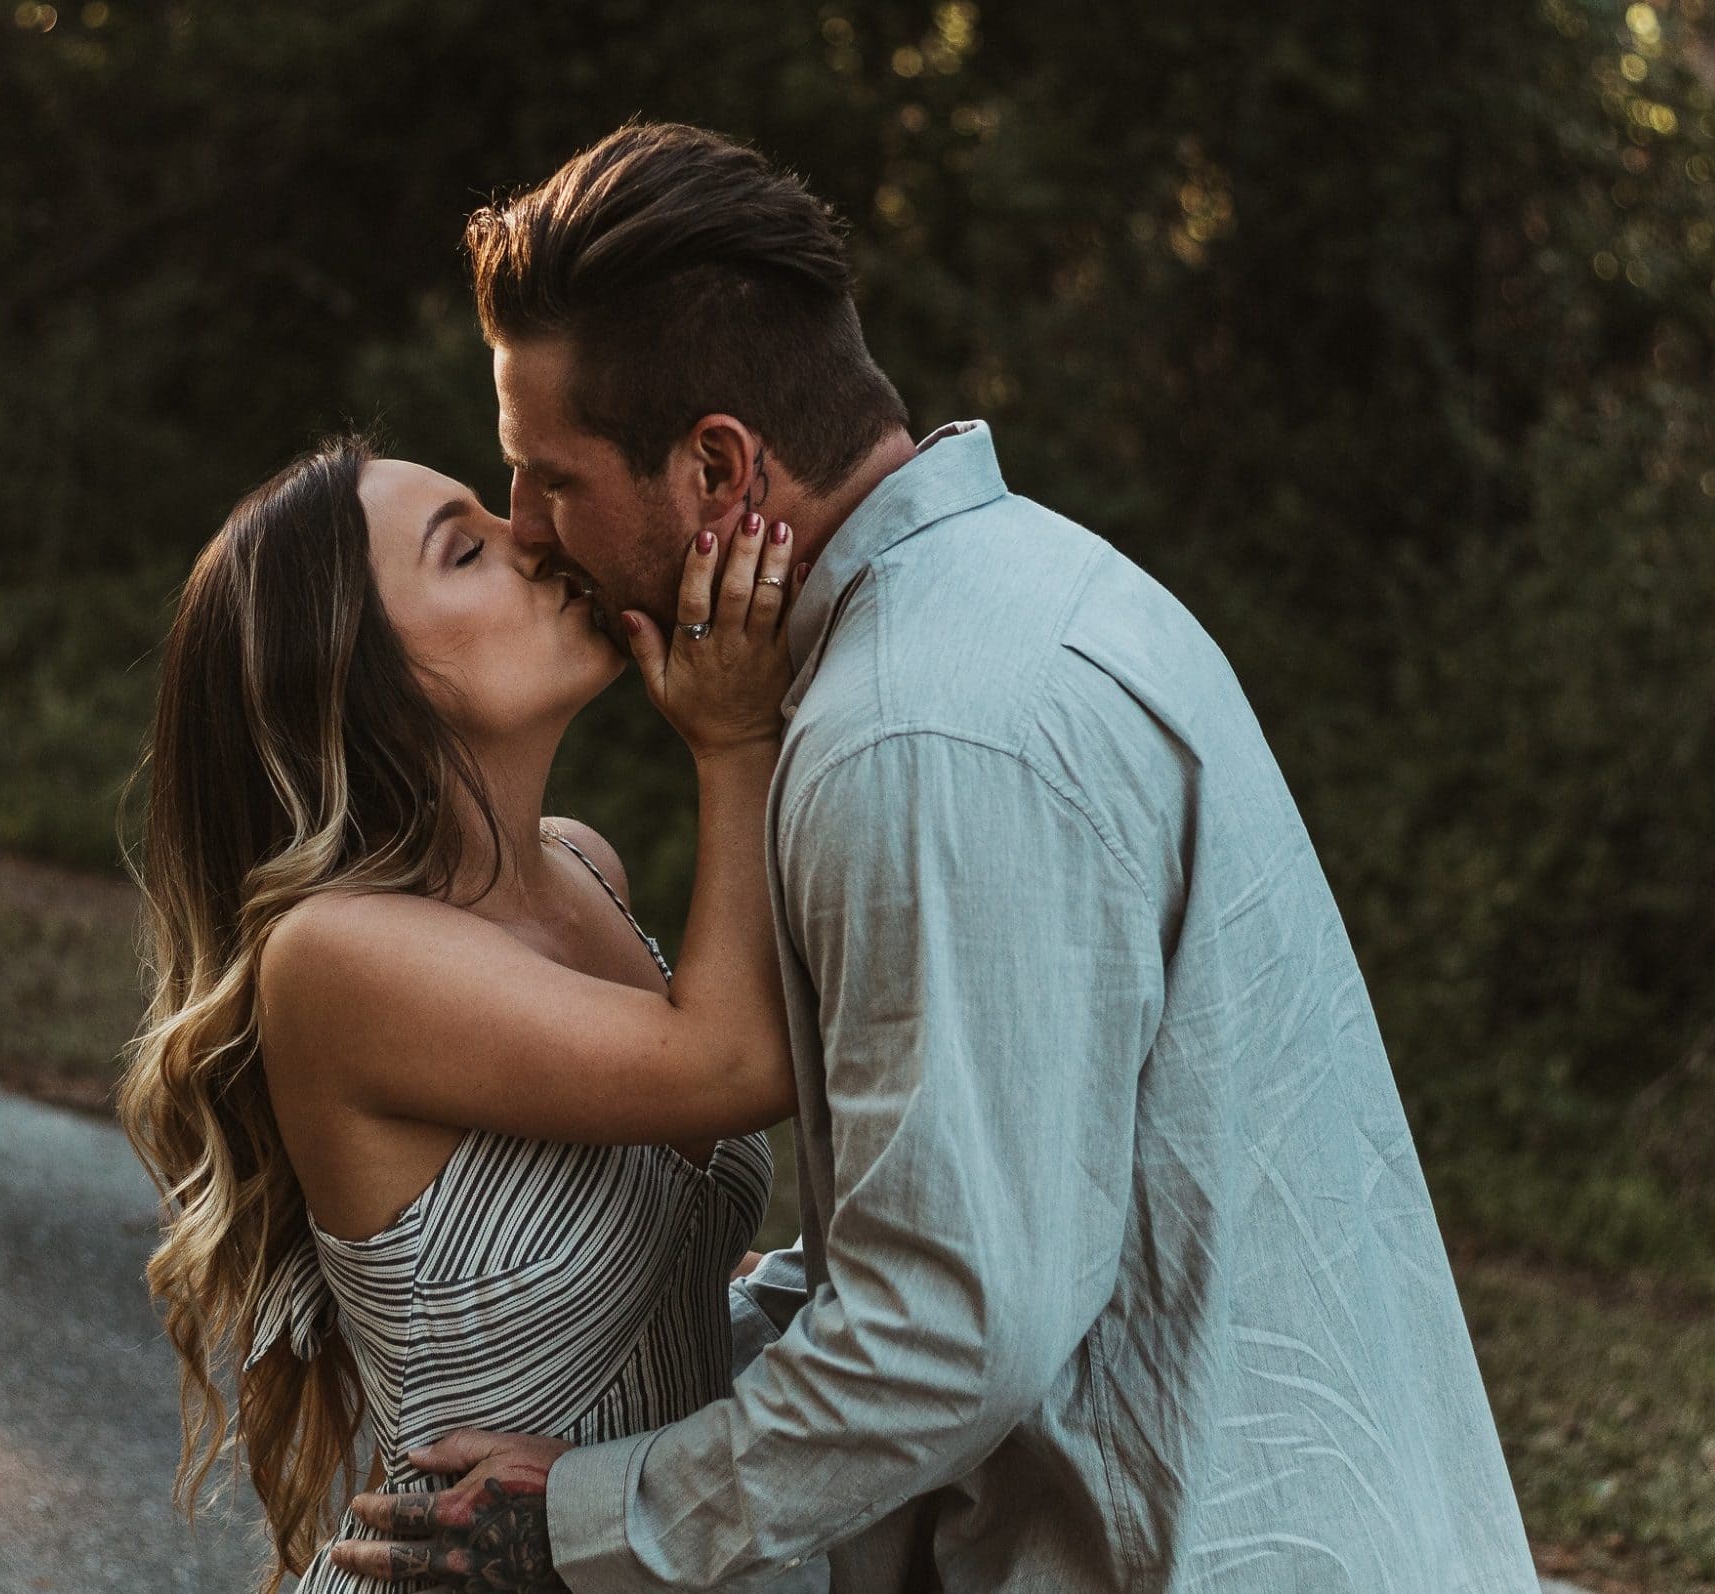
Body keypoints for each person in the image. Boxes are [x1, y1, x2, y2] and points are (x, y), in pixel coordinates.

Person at [337, 123, 1543, 1591]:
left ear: (717, 467)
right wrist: (622, 1386)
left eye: (552, 478)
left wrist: (583, 1518)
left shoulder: (914, 734)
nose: (530, 527)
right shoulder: (1035, 593)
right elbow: (964, 1226)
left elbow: (946, 1325)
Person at [117, 435, 824, 1592]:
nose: (535, 538)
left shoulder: (585, 869)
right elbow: (738, 1060)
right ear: (359, 682)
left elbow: (677, 1218)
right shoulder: (339, 957)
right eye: (466, 550)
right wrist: (738, 738)